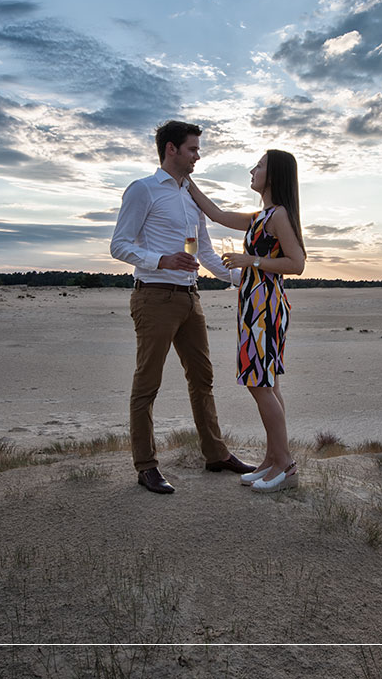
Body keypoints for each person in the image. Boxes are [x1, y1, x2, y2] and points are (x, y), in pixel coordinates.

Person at [110, 120, 257, 494]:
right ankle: (146, 466)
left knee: (203, 379)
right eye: (192, 149)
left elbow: (203, 252)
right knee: (148, 384)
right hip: (154, 296)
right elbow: (120, 245)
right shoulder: (143, 190)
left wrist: (243, 280)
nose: (197, 156)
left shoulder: (191, 197)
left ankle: (215, 454)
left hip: (190, 298)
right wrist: (162, 260)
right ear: (171, 149)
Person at [188, 149, 306, 493]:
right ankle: (272, 458)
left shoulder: (278, 215)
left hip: (266, 306)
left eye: (259, 166)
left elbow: (296, 264)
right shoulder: (262, 215)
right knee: (269, 384)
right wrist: (186, 181)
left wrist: (249, 259)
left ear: (275, 175)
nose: (252, 170)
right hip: (256, 304)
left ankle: (286, 465)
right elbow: (219, 213)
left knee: (259, 383)